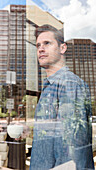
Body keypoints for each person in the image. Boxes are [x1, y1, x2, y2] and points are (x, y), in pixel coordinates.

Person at [30, 24, 94, 170]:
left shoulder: (69, 84)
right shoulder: (49, 87)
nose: (40, 49)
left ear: (62, 48)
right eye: (38, 45)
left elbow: (73, 152)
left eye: (47, 43)